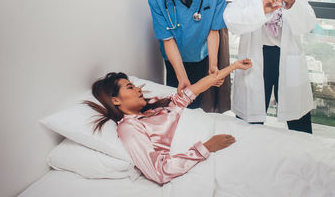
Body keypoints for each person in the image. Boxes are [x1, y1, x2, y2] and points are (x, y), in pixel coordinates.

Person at [84, 59, 252, 184]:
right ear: (115, 101)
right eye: (130, 87)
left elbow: (195, 89)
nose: (139, 89)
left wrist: (234, 66)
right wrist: (206, 147)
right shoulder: (128, 127)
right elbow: (158, 171)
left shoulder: (156, 106)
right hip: (208, 148)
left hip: (217, 131)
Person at [223, 0, 316, 133]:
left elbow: (307, 25)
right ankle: (249, 155)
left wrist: (292, 6)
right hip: (256, 59)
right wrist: (260, 9)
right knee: (250, 122)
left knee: (299, 121)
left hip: (286, 58)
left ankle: (305, 156)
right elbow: (231, 20)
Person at [148, 0, 227, 108]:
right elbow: (167, 39)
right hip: (173, 59)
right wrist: (181, 76)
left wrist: (213, 64)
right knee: (176, 103)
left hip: (200, 56)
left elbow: (213, 31)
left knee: (195, 103)